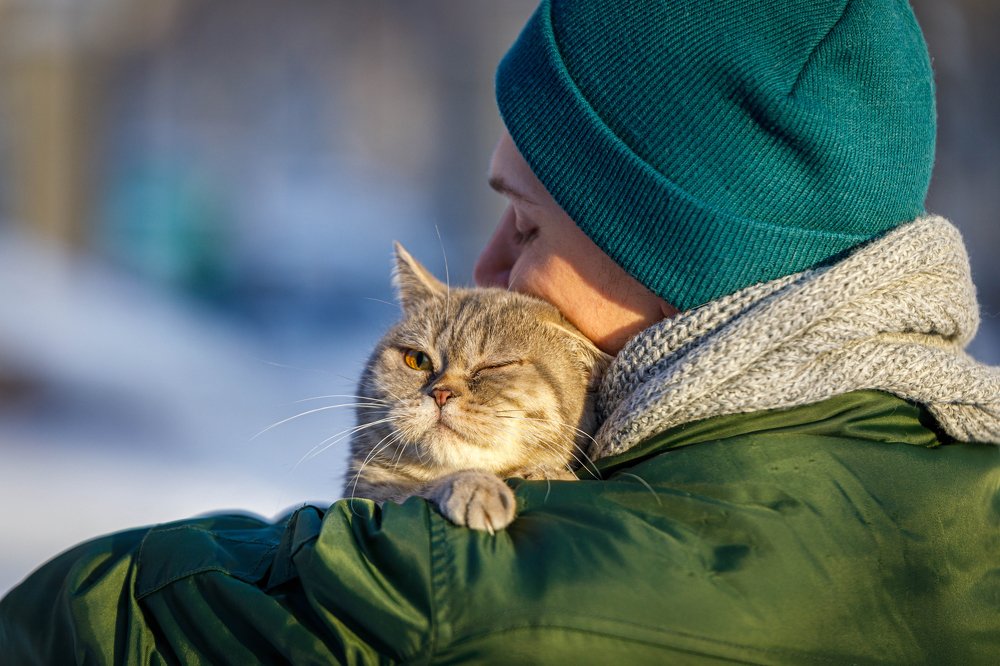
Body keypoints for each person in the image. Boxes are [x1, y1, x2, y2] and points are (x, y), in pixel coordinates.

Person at [2, 0, 998, 663]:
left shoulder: (482, 599)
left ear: (665, 243)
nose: (484, 271)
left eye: (525, 224)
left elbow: (80, 620)